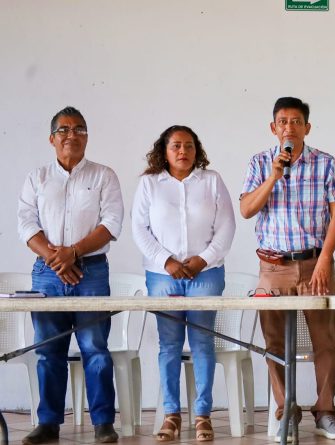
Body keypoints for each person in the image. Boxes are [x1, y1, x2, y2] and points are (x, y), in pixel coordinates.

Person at [240, 97, 335, 441]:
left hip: (315, 263)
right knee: (273, 343)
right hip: (273, 267)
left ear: (307, 127)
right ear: (274, 128)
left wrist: (325, 261)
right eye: (283, 122)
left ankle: (326, 411)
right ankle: (286, 409)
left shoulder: (325, 163)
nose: (289, 127)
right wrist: (273, 176)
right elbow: (246, 209)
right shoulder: (260, 163)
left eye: (296, 121)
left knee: (325, 342)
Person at [17, 106, 124, 444]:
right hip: (47, 274)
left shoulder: (104, 176)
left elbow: (111, 224)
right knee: (49, 350)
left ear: (87, 137)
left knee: (95, 347)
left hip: (91, 272)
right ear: (52, 139)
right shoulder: (37, 178)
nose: (72, 135)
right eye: (64, 130)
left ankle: (103, 423)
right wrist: (55, 257)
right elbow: (26, 223)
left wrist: (73, 253)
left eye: (79, 129)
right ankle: (48, 424)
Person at [131, 125, 235, 441]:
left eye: (189, 146)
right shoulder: (150, 184)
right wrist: (168, 262)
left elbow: (227, 226)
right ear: (164, 150)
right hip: (163, 277)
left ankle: (203, 415)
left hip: (206, 274)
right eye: (176, 145)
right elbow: (140, 229)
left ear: (196, 150)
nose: (183, 151)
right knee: (170, 345)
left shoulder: (212, 181)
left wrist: (203, 259)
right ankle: (171, 415)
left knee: (203, 342)